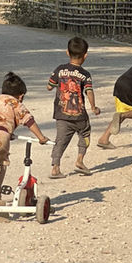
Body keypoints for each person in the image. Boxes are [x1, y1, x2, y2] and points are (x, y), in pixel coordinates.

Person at [0, 72, 49, 208]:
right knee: (1, 163)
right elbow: (28, 120)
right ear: (21, 95)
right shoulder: (15, 103)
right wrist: (41, 137)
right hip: (1, 135)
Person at [47, 35, 101, 177]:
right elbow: (89, 91)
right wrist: (93, 107)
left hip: (62, 115)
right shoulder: (85, 74)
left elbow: (49, 86)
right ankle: (79, 160)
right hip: (79, 115)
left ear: (67, 52)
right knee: (85, 134)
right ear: (85, 55)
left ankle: (55, 168)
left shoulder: (60, 69)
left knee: (60, 140)